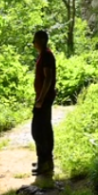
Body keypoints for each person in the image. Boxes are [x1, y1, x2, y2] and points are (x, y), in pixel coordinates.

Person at [31, 30, 57, 176]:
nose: (33, 43)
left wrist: (41, 98)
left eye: (34, 40)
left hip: (44, 98)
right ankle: (45, 162)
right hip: (43, 97)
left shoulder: (46, 55)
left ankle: (45, 162)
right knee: (43, 128)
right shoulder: (44, 55)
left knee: (38, 130)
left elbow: (48, 78)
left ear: (41, 40)